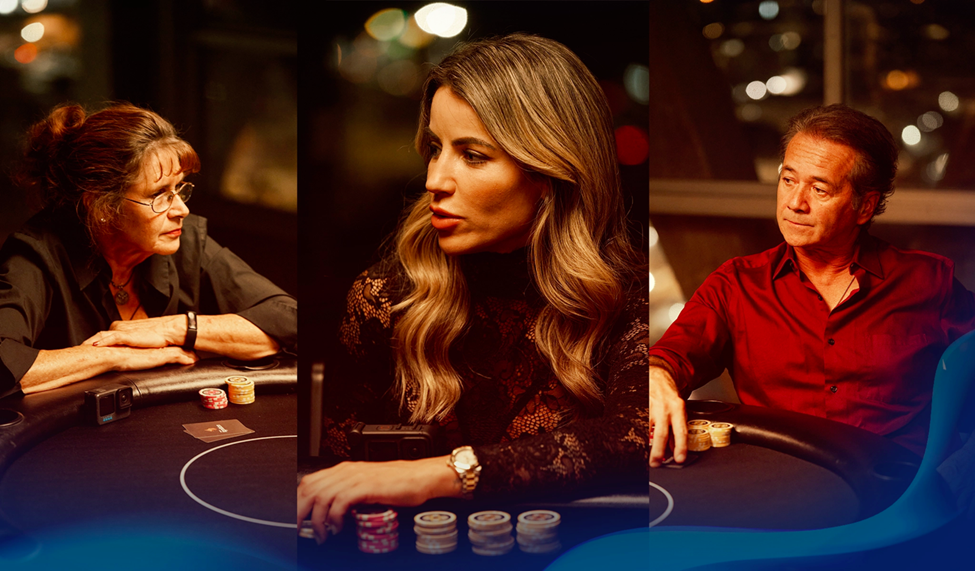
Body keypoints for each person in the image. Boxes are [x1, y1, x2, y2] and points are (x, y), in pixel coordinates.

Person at [297, 34, 649, 542]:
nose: (435, 180)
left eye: (473, 155)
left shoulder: (625, 299)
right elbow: (340, 478)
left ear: (550, 171)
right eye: (435, 149)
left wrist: (438, 473)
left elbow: (637, 435)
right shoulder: (384, 297)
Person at [648, 104, 975, 466]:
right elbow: (674, 355)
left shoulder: (928, 283)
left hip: (896, 491)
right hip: (782, 490)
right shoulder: (736, 284)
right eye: (788, 180)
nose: (794, 203)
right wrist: (657, 375)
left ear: (864, 207)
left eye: (819, 189)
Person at [0, 103, 297, 397]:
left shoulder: (186, 240)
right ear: (101, 205)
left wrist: (172, 329)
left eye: (179, 189)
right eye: (158, 195)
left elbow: (286, 319)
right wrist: (113, 356)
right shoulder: (36, 255)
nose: (181, 209)